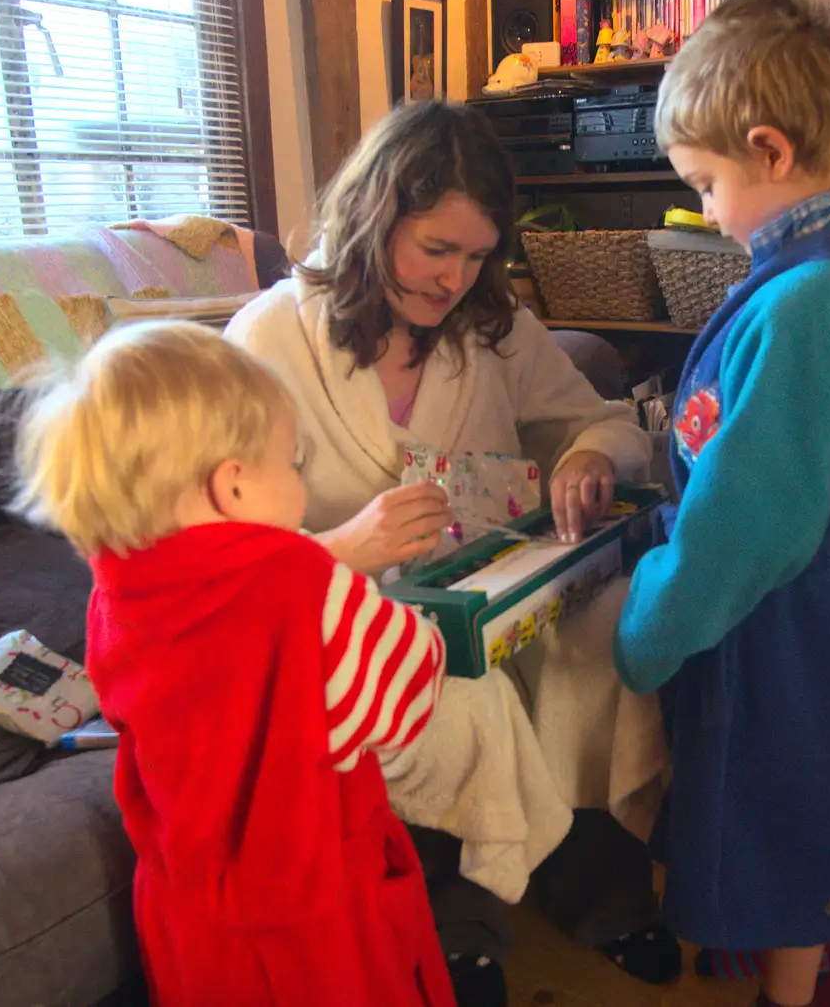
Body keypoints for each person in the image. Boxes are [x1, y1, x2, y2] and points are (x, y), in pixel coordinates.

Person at [225, 101, 679, 1007]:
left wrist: (590, 452)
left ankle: (600, 887)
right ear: (374, 216)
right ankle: (462, 930)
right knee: (443, 698)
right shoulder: (267, 337)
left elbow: (597, 417)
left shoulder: (491, 325)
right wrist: (343, 549)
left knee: (607, 637)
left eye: (477, 256)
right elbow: (217, 547)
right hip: (352, 612)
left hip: (504, 588)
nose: (454, 280)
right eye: (436, 250)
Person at [10, 321, 454, 1007]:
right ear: (234, 487)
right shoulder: (299, 580)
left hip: (190, 909)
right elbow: (406, 691)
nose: (300, 482)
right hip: (314, 914)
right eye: (292, 462)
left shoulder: (114, 593)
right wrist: (424, 626)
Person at [614, 0, 830, 1007]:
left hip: (766, 606)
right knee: (798, 792)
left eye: (704, 183)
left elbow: (750, 522)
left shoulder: (803, 299)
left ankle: (787, 994)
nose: (702, 210)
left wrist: (651, 623)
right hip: (802, 592)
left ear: (771, 151)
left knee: (777, 805)